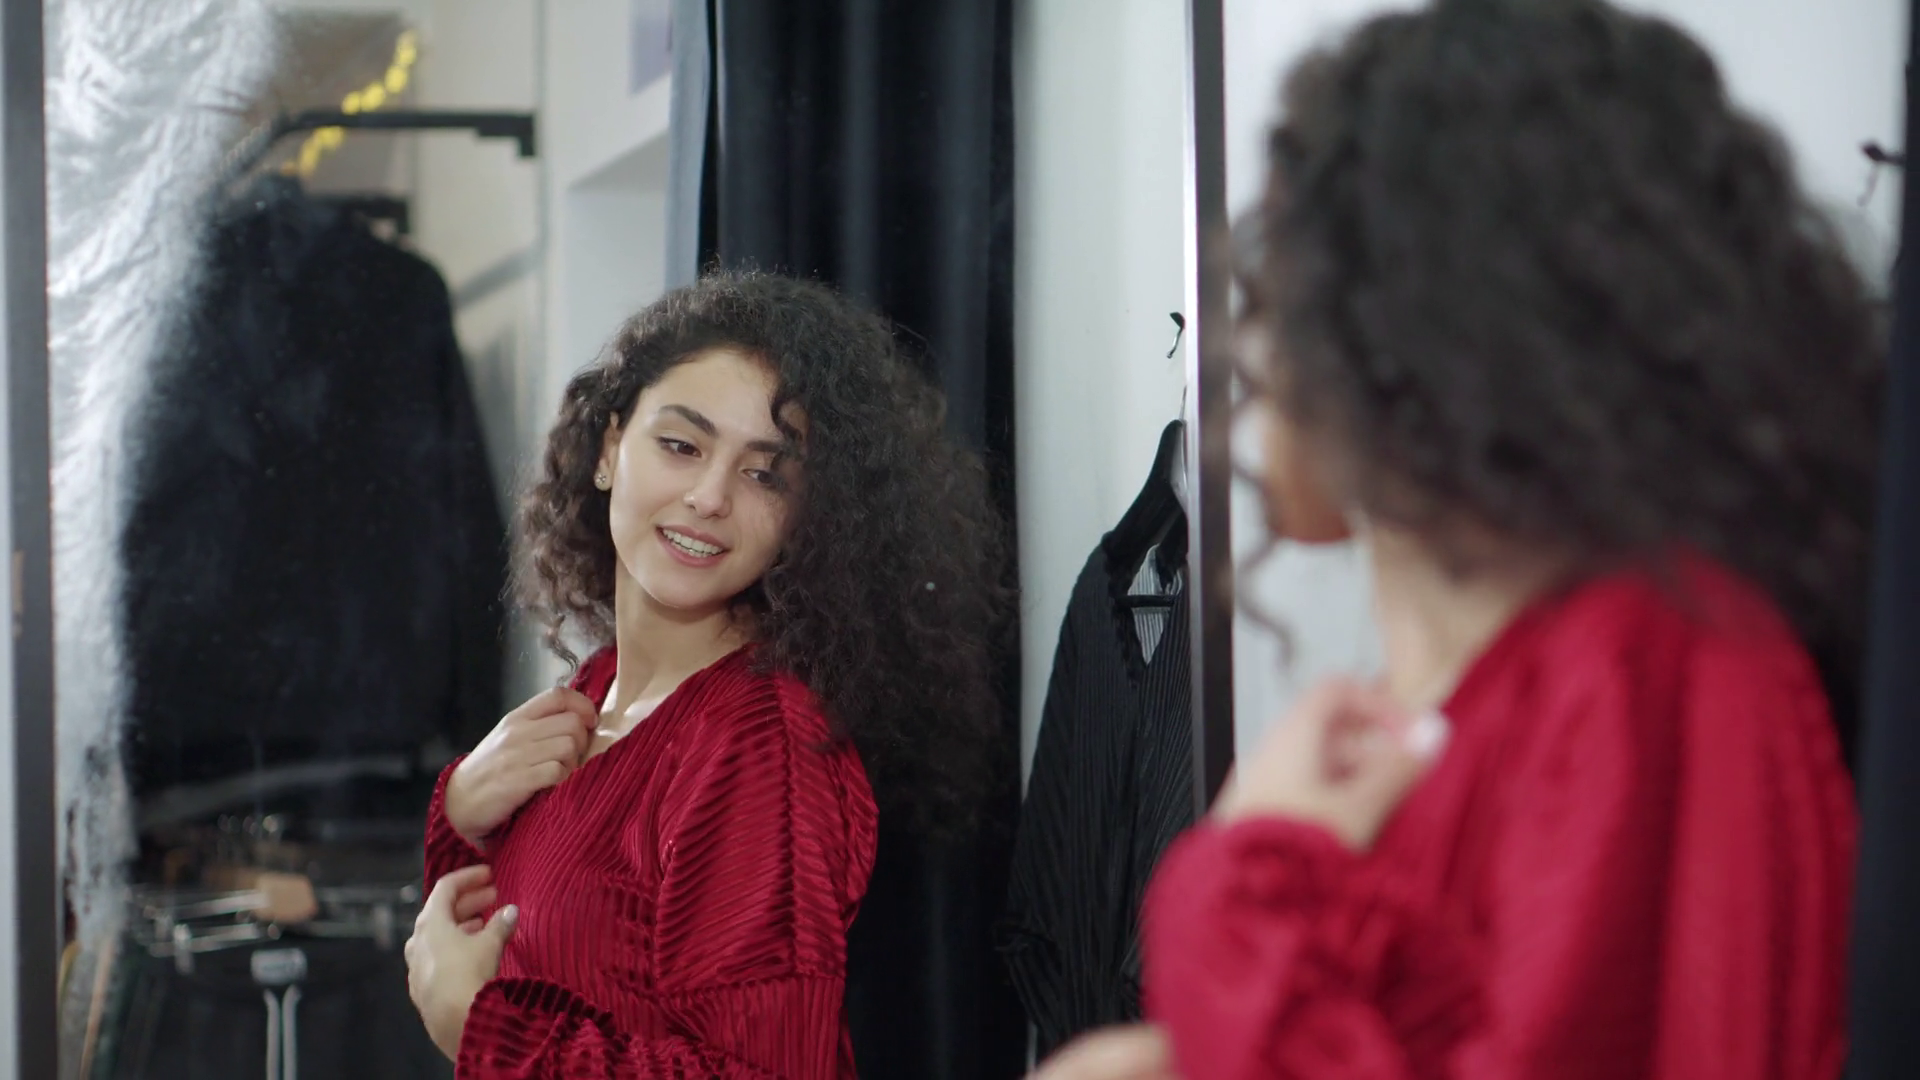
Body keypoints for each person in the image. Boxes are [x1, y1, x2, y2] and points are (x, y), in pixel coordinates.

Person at [1040, 0, 1879, 1076]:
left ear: (1423, 321)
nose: (1253, 334)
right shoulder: (1520, 689)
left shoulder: (1645, 658)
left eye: (1283, 270)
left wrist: (1237, 895)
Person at [402, 272, 1010, 1077]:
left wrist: (487, 1033)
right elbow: (484, 956)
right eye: (682, 446)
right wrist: (461, 814)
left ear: (806, 516)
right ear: (610, 448)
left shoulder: (759, 745)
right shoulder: (591, 695)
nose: (710, 496)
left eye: (765, 474)